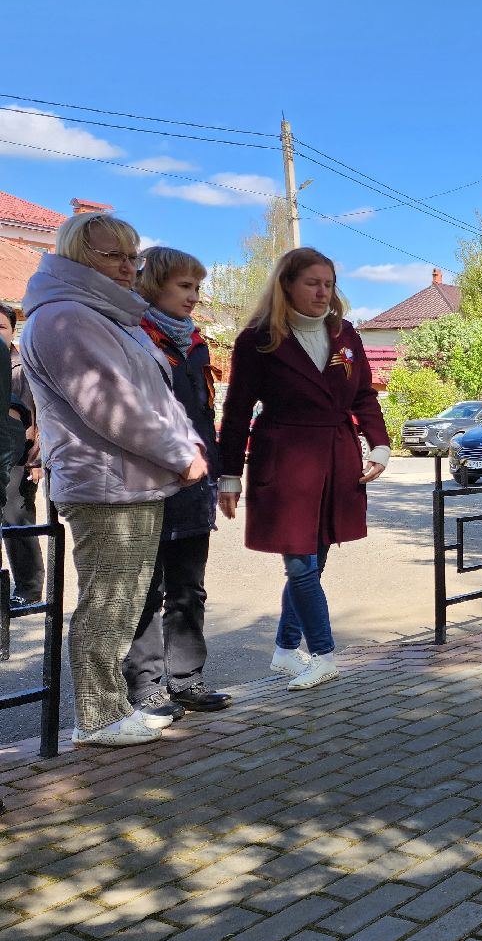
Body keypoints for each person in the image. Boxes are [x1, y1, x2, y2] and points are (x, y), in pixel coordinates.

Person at [21, 213, 208, 747]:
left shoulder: (103, 313)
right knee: (108, 604)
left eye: (132, 256)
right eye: (113, 256)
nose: (128, 267)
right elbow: (112, 406)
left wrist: (186, 446)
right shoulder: (66, 317)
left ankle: (109, 709)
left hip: (128, 479)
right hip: (105, 483)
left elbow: (154, 398)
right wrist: (180, 453)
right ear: (78, 255)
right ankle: (98, 717)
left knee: (122, 603)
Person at [218, 247, 389, 690]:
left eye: (329, 284)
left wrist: (380, 445)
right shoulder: (259, 339)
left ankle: (284, 649)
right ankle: (324, 654)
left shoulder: (344, 333)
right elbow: (236, 412)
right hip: (285, 458)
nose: (322, 292)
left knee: (316, 558)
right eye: (312, 283)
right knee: (300, 563)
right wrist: (229, 475)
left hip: (336, 455)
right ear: (287, 285)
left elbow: (364, 395)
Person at [123, 248, 231, 723]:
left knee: (189, 587)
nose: (194, 296)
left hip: (195, 483)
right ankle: (145, 688)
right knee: (146, 590)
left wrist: (218, 470)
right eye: (184, 286)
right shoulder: (132, 335)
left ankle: (186, 680)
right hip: (147, 482)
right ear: (153, 285)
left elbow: (205, 416)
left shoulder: (196, 343)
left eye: (197, 287)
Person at [0, 305, 43, 606]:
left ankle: (28, 589)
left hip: (21, 457)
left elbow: (37, 413)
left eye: (1, 327)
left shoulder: (23, 366)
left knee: (17, 521)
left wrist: (36, 460)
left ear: (13, 330)